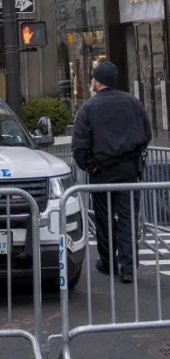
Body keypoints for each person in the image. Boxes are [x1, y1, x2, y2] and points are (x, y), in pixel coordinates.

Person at [72, 60, 151, 283]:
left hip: (101, 172)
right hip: (129, 170)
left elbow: (79, 147)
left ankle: (108, 262)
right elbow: (146, 134)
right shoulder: (132, 102)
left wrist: (91, 165)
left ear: (98, 82)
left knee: (104, 218)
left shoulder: (88, 108)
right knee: (128, 217)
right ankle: (128, 267)